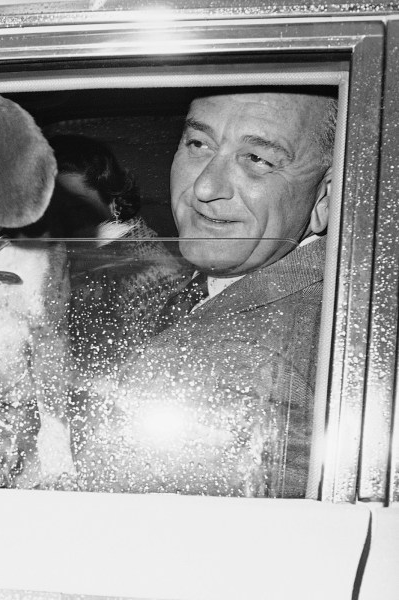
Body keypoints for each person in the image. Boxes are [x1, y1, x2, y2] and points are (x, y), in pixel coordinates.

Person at [74, 89, 335, 498]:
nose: (205, 186)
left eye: (258, 160)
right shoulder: (223, 287)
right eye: (199, 144)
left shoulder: (265, 353)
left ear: (325, 199)